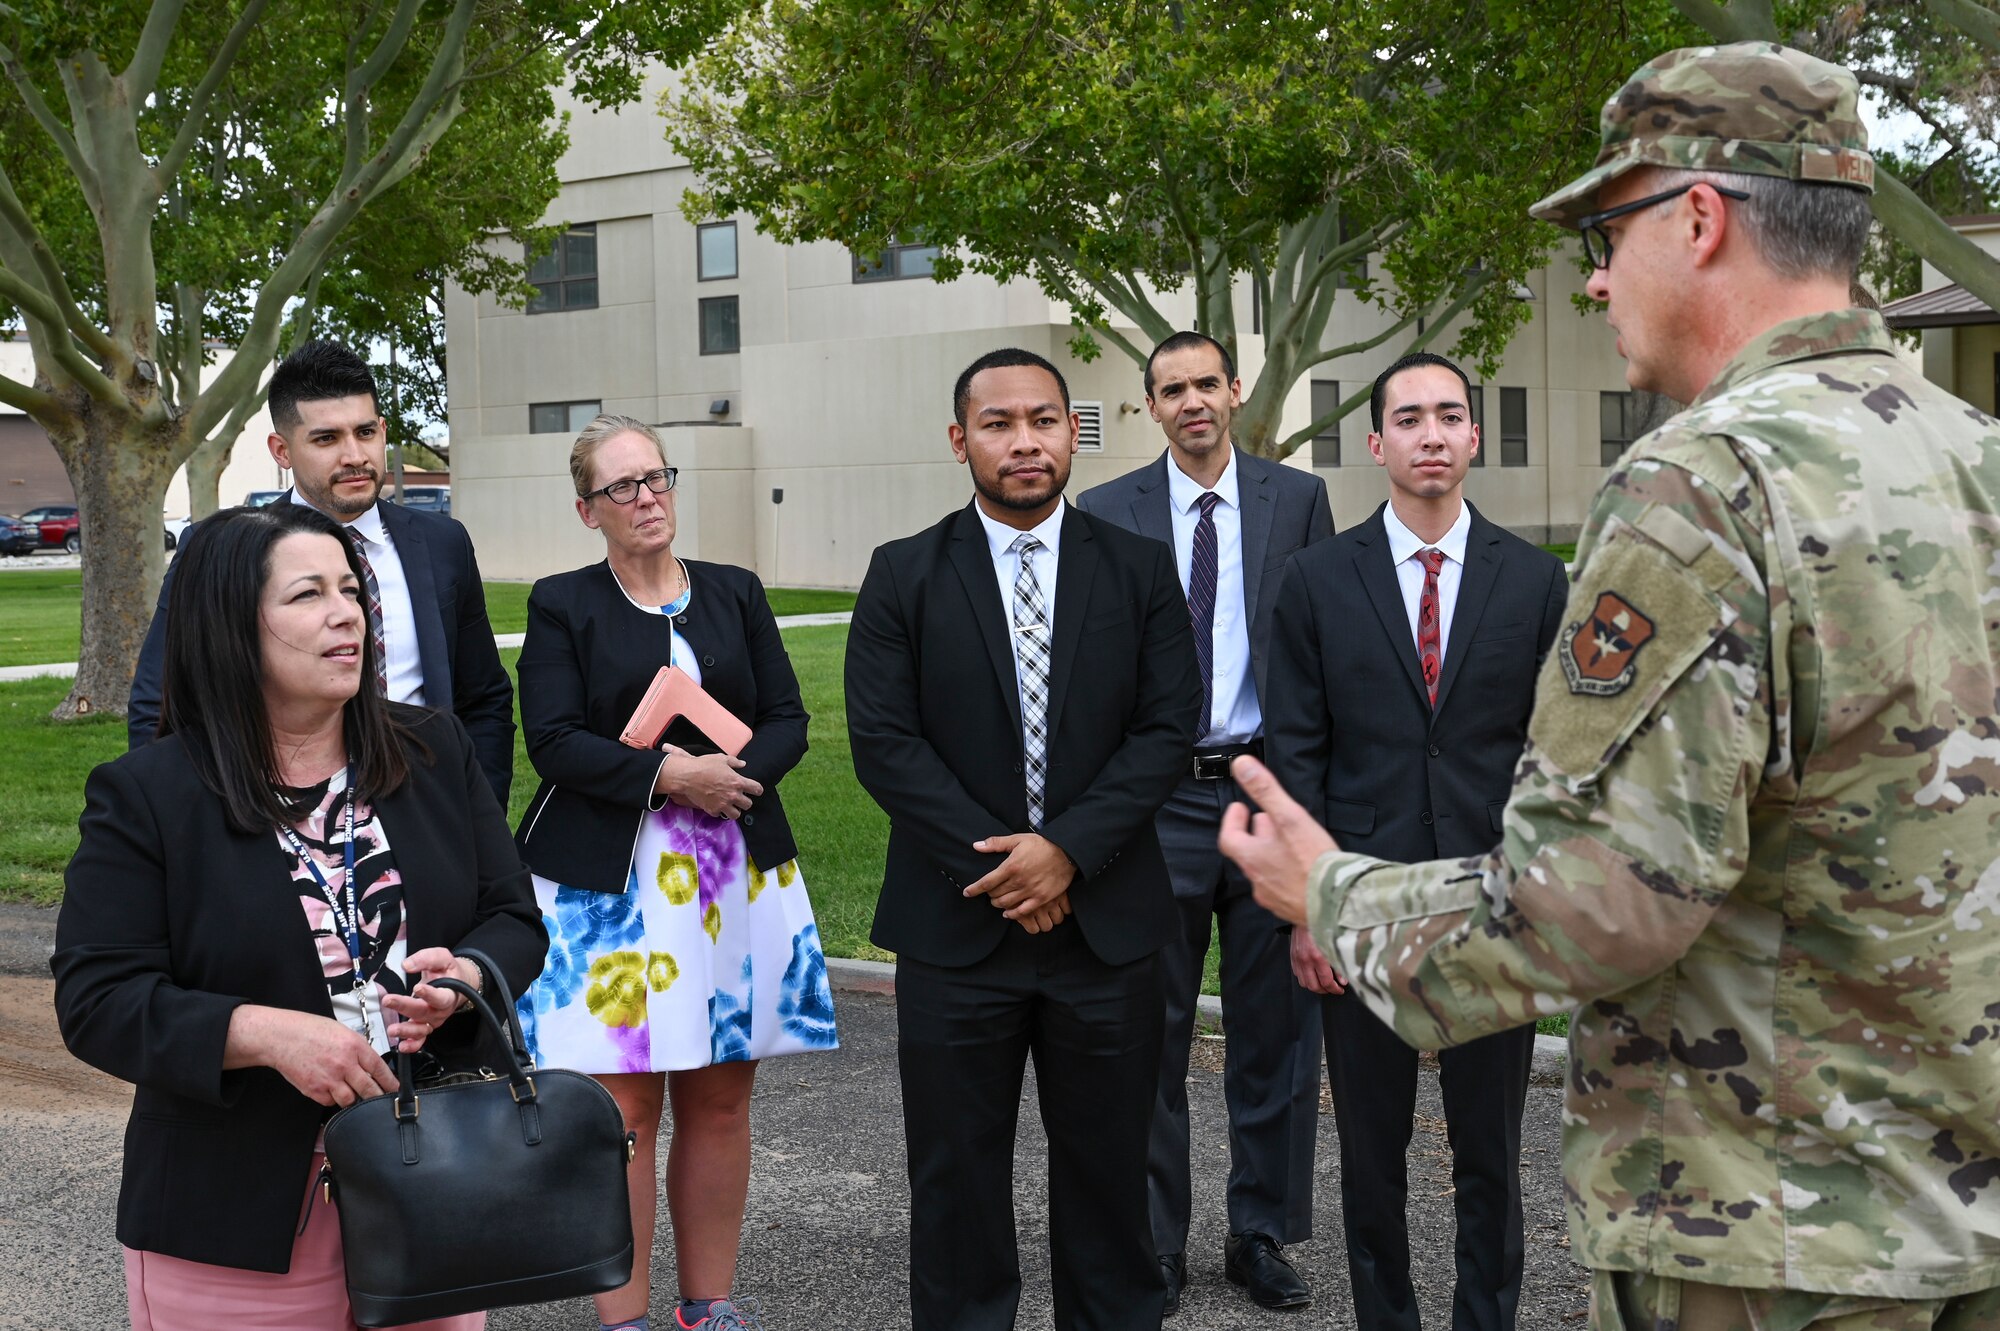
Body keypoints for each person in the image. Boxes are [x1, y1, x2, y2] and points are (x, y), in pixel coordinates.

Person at [1219, 41, 2000, 1331]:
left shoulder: (1701, 482)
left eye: (1603, 223)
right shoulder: (1973, 454)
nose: (1590, 272)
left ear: (1697, 217)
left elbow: (1597, 905)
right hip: (1960, 1214)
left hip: (1770, 1237)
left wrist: (1332, 894)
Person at [52, 502, 548, 1331]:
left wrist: (463, 979)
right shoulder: (149, 795)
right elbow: (98, 999)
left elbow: (513, 917)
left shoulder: (433, 749)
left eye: (351, 589)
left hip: (434, 1188)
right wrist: (264, 1035)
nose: (344, 612)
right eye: (308, 594)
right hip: (234, 1213)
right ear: (232, 624)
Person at [846, 347, 1200, 1331]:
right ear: (960, 439)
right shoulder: (902, 573)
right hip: (957, 932)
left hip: (1108, 931)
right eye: (998, 423)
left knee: (1111, 1191)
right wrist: (1012, 865)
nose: (1024, 441)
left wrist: (1068, 852)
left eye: (1043, 419)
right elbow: (885, 743)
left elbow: (1167, 725)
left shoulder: (1136, 569)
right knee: (955, 1192)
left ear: (1072, 432)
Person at [511, 414, 834, 1331]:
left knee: (722, 1095)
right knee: (622, 1108)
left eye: (656, 477)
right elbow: (554, 739)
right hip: (610, 888)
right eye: (622, 487)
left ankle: (710, 1305)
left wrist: (735, 776)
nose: (647, 497)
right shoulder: (562, 601)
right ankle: (627, 1320)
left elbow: (787, 714)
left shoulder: (735, 590)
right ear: (588, 510)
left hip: (731, 873)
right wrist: (666, 775)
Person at [1264, 350, 1566, 1331]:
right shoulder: (1313, 580)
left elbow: (1550, 755)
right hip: (1363, 908)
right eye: (1408, 418)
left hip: (1490, 909)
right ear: (1374, 440)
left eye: (1447, 415)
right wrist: (1313, 909)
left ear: (1473, 435)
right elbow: (1296, 752)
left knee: (1491, 1152)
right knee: (1369, 1154)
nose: (1429, 434)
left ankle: (1487, 1315)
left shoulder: (1532, 580)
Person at [1075, 330, 1331, 1314]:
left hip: (1264, 788)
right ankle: (1154, 1240)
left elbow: (1312, 649)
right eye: (1169, 388)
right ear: (1151, 406)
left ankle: (1259, 1233)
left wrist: (1309, 802)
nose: (1191, 401)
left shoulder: (1294, 500)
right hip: (1158, 797)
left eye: (1204, 384)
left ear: (1233, 391)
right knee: (1151, 1031)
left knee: (1275, 1028)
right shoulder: (1106, 511)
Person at [129, 339, 516, 808]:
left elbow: (484, 698)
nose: (354, 455)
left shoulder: (442, 543)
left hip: (425, 804)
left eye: (366, 432)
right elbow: (161, 702)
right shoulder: (220, 550)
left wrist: (477, 810)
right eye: (326, 438)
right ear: (281, 449)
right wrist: (188, 826)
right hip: (273, 809)